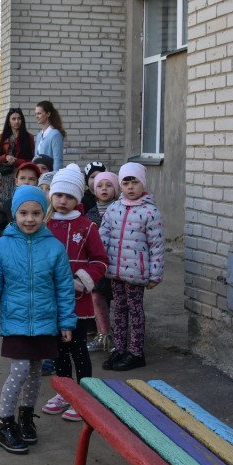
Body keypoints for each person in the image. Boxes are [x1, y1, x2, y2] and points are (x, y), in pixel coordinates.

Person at [0, 185, 76, 454]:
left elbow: (64, 288)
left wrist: (66, 321)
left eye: (36, 213)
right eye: (23, 213)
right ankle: (5, 423)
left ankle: (26, 418)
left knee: (36, 372)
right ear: (14, 214)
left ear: (44, 214)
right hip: (15, 322)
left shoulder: (54, 247)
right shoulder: (1, 247)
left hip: (45, 322)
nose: (29, 219)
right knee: (20, 370)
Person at [41, 165, 108, 422]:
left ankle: (84, 395)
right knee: (58, 349)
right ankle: (65, 392)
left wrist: (81, 281)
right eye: (58, 195)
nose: (62, 200)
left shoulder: (87, 227)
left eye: (69, 196)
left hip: (78, 302)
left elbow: (100, 261)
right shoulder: (44, 224)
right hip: (51, 301)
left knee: (78, 348)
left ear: (77, 198)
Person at [100, 163, 164, 372]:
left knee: (135, 311)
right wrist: (99, 263)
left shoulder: (150, 212)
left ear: (142, 184)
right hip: (115, 271)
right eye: (125, 183)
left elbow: (156, 246)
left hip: (136, 273)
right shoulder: (113, 209)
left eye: (134, 182)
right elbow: (103, 237)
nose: (130, 187)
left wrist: (155, 274)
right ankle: (120, 349)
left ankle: (136, 352)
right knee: (119, 310)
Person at [85, 171, 119, 352]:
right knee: (97, 297)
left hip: (119, 264)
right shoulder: (90, 214)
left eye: (109, 185)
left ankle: (120, 337)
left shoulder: (122, 210)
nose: (104, 189)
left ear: (116, 189)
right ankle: (103, 335)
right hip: (97, 265)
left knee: (119, 300)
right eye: (100, 185)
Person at [0, 107, 35, 200]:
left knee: (20, 199)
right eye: (13, 119)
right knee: (5, 201)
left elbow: (31, 159)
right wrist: (6, 157)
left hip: (21, 175)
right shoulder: (3, 137)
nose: (17, 121)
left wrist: (16, 161)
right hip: (5, 175)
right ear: (9, 122)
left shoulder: (29, 137)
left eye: (19, 118)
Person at [34, 101, 66, 172]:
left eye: (39, 113)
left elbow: (58, 160)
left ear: (48, 114)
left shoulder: (55, 134)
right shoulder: (39, 135)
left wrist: (55, 176)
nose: (36, 116)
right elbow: (36, 157)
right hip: (38, 173)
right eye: (36, 114)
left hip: (50, 174)